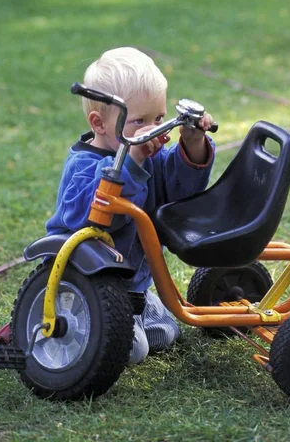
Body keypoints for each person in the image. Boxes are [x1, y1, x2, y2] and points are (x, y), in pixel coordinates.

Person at [46, 47, 216, 364]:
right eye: (139, 121)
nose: (152, 130)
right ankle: (71, 327)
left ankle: (132, 314)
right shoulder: (83, 166)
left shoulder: (150, 157)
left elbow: (182, 191)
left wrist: (193, 144)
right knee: (135, 350)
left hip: (130, 285)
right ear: (98, 123)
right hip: (84, 286)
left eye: (160, 119)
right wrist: (133, 160)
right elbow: (99, 221)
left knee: (168, 330)